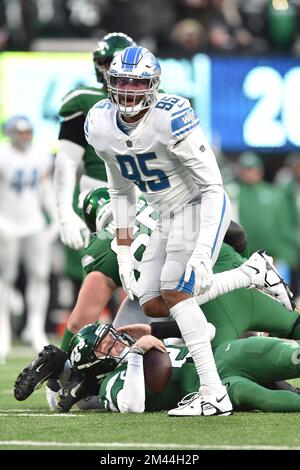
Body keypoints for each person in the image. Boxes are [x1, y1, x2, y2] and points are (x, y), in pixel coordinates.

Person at [84, 44, 235, 416]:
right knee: (152, 302)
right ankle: (247, 276)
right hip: (165, 214)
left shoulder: (172, 117)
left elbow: (214, 188)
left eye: (137, 84)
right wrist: (122, 250)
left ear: (153, 86)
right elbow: (120, 190)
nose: (128, 91)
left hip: (197, 205)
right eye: (121, 82)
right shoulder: (101, 124)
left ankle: (214, 393)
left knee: (176, 289)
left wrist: (201, 253)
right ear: (109, 81)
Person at [54, 32, 136, 251]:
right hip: (100, 195)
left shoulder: (160, 100)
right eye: (110, 63)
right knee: (101, 271)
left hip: (145, 195)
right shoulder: (85, 100)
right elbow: (66, 161)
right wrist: (64, 213)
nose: (117, 70)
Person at [0, 115, 57, 362]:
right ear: (11, 133)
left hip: (34, 222)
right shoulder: (3, 155)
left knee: (40, 275)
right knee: (7, 278)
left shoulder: (41, 155)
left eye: (28, 131)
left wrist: (54, 219)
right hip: (7, 222)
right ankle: (3, 330)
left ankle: (35, 327)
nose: (25, 136)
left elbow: (45, 191)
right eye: (20, 132)